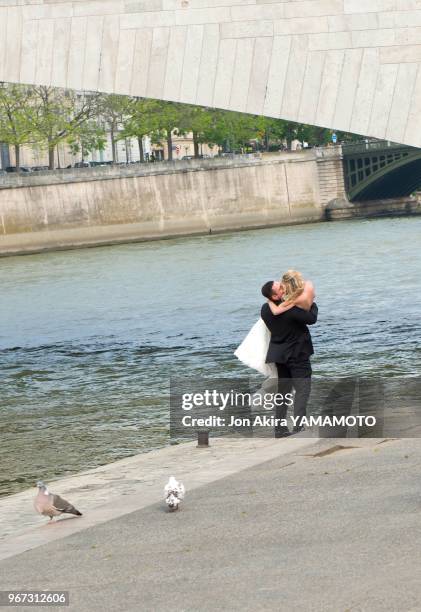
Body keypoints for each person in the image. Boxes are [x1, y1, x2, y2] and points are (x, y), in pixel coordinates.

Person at [261, 271, 318, 437]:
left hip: (279, 356)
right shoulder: (291, 308)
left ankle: (279, 429)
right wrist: (312, 302)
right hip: (297, 354)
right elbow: (311, 318)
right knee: (302, 389)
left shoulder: (265, 309)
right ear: (275, 295)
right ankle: (299, 427)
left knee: (283, 392)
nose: (283, 287)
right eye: (280, 287)